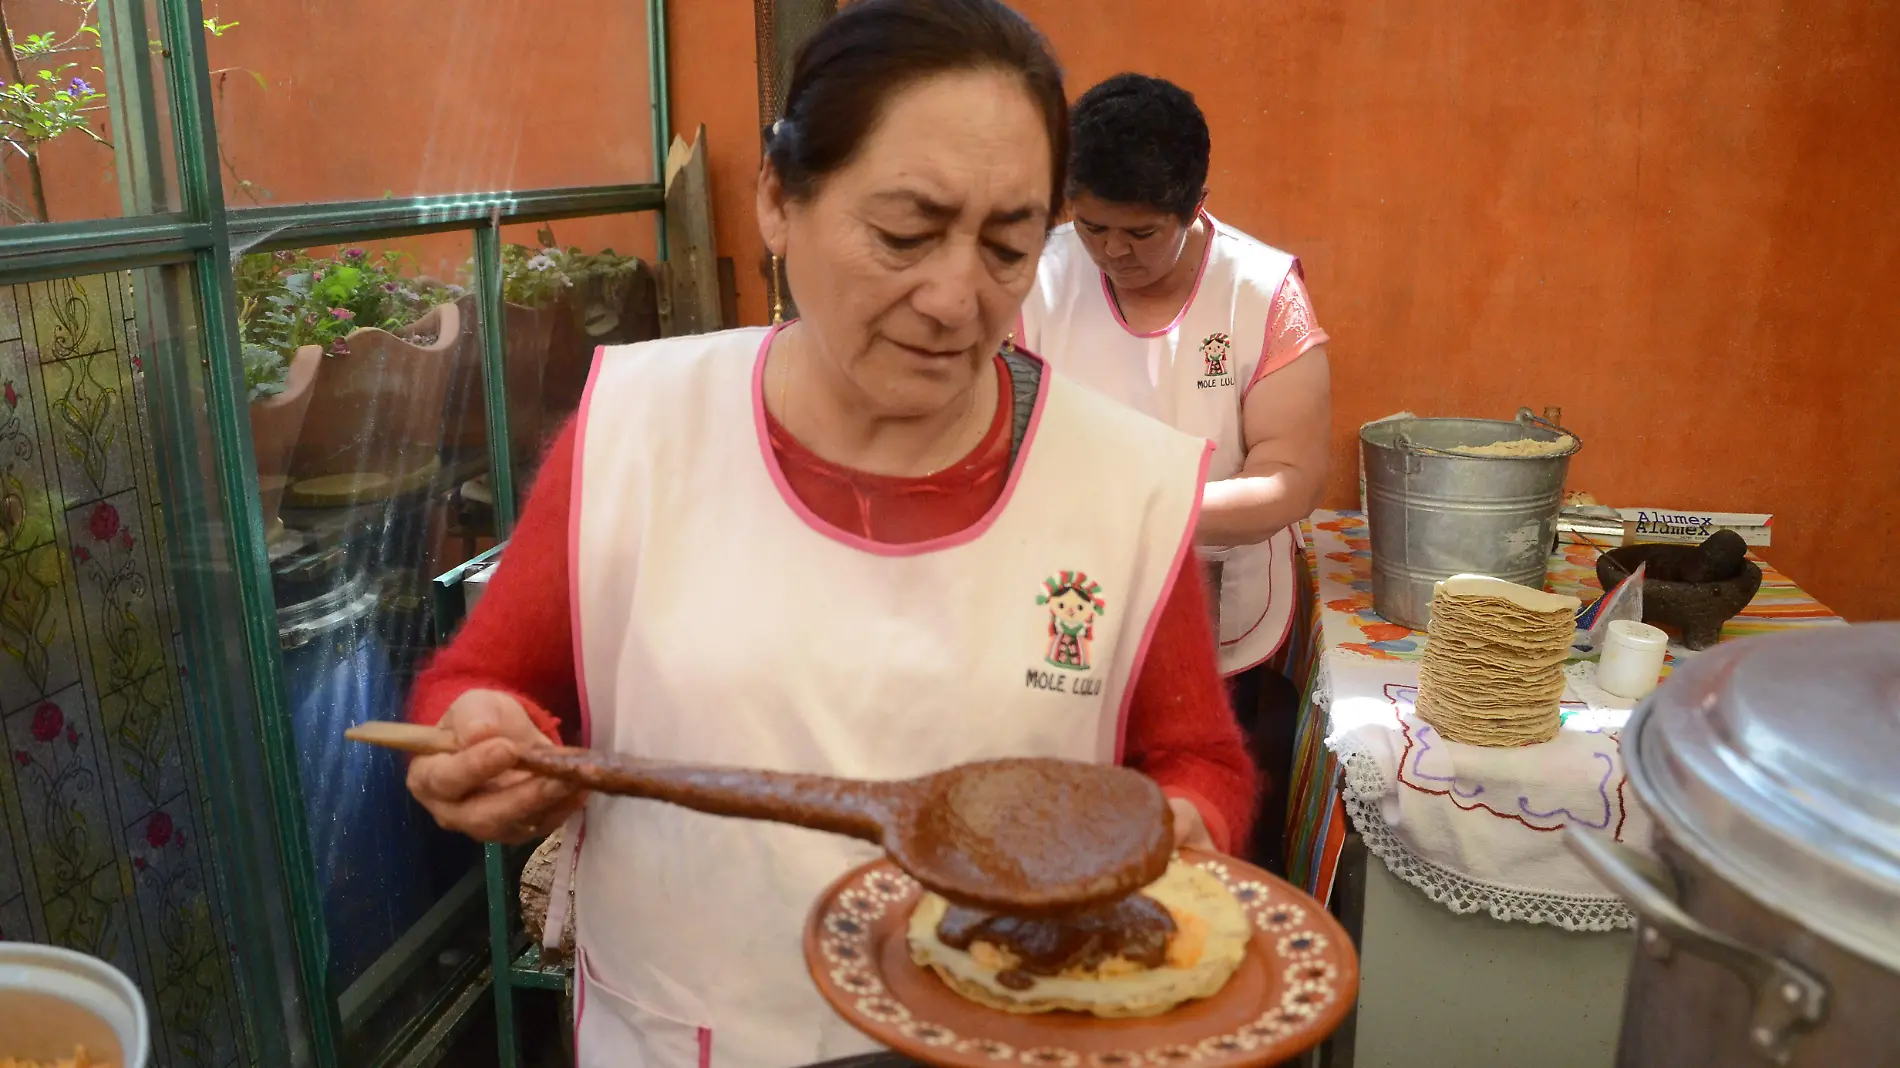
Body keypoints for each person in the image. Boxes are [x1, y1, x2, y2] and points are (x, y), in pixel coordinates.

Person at [402, 4, 1255, 1065]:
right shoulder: (641, 431)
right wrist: (486, 733)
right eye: (904, 234)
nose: (956, 299)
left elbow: (1195, 759)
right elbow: (489, 685)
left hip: (1005, 1030)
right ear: (776, 198)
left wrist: (1185, 823)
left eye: (1007, 247)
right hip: (691, 1030)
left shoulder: (1120, 483)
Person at [1017, 74, 1332, 866]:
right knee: (1069, 833)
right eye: (1091, 228)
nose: (1112, 252)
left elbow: (1289, 480)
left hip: (1225, 609)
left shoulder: (1260, 295)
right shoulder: (1036, 281)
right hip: (1068, 604)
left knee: (1201, 836)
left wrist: (1141, 512)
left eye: (1140, 233)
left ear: (1196, 205)